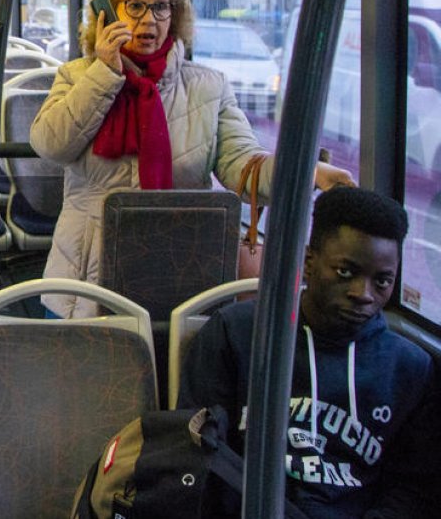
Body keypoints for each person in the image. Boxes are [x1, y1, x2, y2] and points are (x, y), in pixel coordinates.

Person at [29, 0, 353, 317]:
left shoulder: (208, 87)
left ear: (175, 15)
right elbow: (50, 145)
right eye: (135, 6)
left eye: (161, 7)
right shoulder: (78, 76)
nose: (149, 19)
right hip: (88, 273)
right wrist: (105, 73)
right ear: (107, 14)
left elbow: (242, 165)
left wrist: (304, 173)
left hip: (182, 264)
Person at [178, 186, 440, 517]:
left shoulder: (411, 369)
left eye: (383, 282)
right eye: (346, 272)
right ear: (310, 260)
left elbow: (413, 489)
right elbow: (199, 454)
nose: (364, 294)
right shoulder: (237, 333)